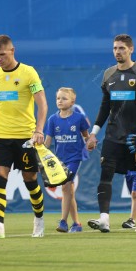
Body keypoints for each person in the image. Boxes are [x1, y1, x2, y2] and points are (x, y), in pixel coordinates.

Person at [85, 34, 136, 233]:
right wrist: (94, 133)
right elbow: (104, 107)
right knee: (105, 176)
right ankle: (104, 219)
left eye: (122, 48)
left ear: (131, 49)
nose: (118, 52)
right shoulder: (109, 74)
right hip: (112, 136)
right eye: (115, 48)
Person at [0, 34, 47, 239]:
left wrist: (39, 130)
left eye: (2, 54)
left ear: (12, 50)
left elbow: (43, 104)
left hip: (25, 137)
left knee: (31, 180)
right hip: (1, 136)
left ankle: (39, 218)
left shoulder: (28, 73)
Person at [44, 87, 90, 233]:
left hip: (75, 158)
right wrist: (41, 153)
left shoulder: (79, 118)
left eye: (64, 98)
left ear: (72, 101)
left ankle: (63, 221)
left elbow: (86, 136)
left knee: (66, 186)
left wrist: (90, 142)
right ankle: (76, 223)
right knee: (68, 190)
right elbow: (48, 142)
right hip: (60, 160)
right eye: (58, 98)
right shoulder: (52, 119)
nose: (60, 101)